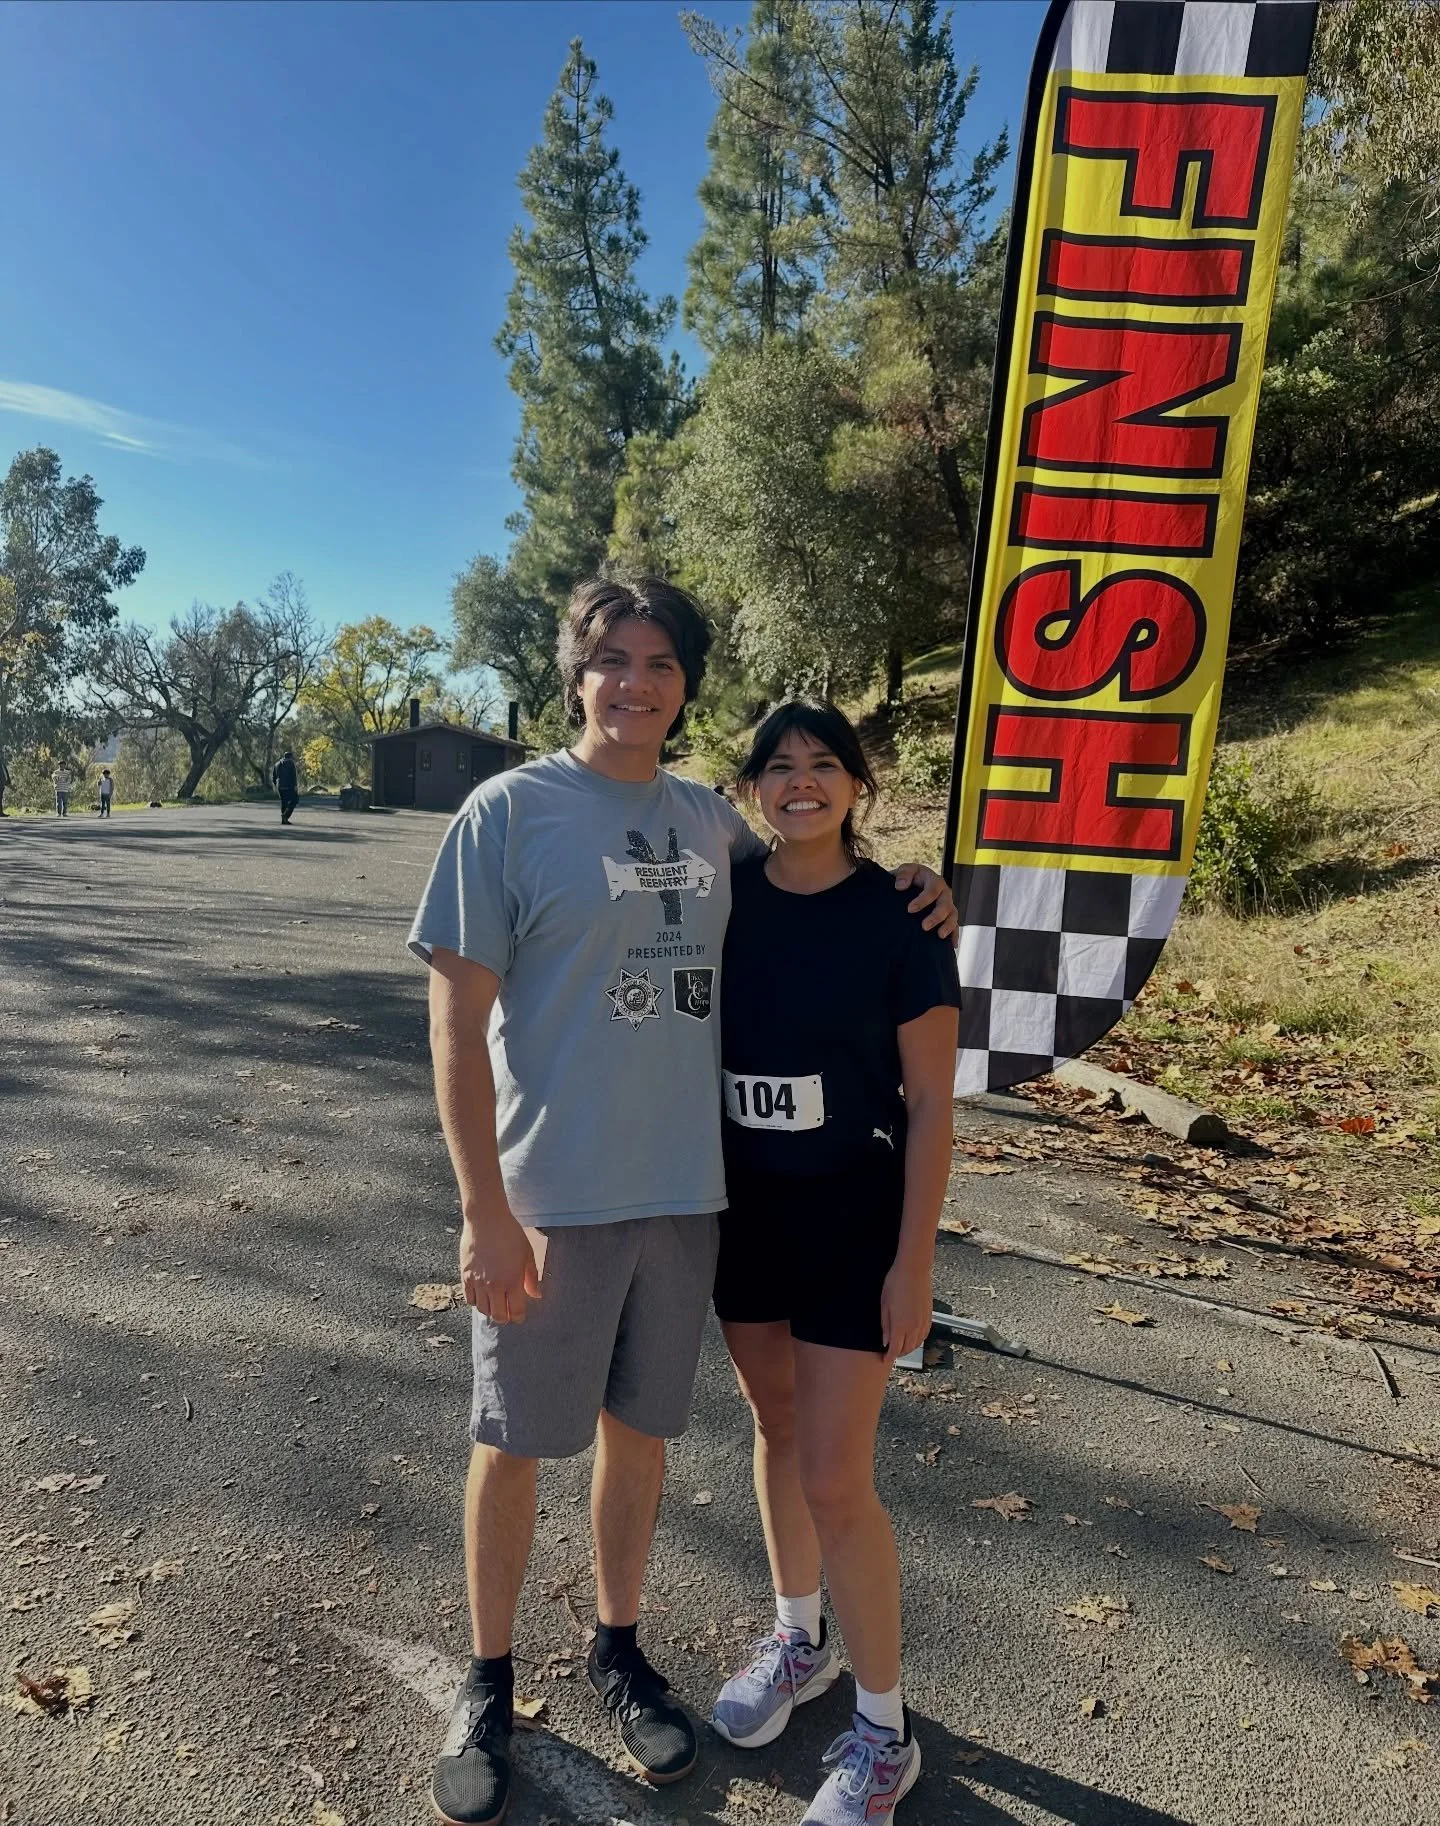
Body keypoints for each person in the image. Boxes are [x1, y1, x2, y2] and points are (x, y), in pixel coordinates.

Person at [407, 577, 956, 1826]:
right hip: (549, 1197)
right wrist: (481, 1205)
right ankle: (485, 1682)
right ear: (577, 675)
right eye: (612, 658)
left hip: (690, 1201)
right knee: (509, 1442)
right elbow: (454, 1017)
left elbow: (821, 851)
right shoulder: (507, 810)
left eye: (661, 662)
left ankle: (618, 1646)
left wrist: (926, 885)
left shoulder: (712, 821)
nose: (636, 681)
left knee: (639, 1442)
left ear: (686, 688)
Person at [708, 701, 960, 1825]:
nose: (799, 781)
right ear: (751, 786)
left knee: (834, 1476)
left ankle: (883, 1730)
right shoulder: (721, 895)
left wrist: (916, 1262)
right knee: (772, 1428)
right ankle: (796, 1631)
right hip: (743, 1214)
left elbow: (936, 1106)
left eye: (823, 764)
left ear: (858, 783)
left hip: (854, 1222)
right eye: (777, 765)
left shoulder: (904, 917)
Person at [272, 749, 299, 824]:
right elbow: (293, 776)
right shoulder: (291, 763)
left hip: (280, 786)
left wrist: (276, 785)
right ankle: (285, 815)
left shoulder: (277, 764)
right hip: (289, 786)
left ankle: (284, 821)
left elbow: (274, 777)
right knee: (295, 800)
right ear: (290, 757)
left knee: (284, 803)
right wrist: (295, 786)